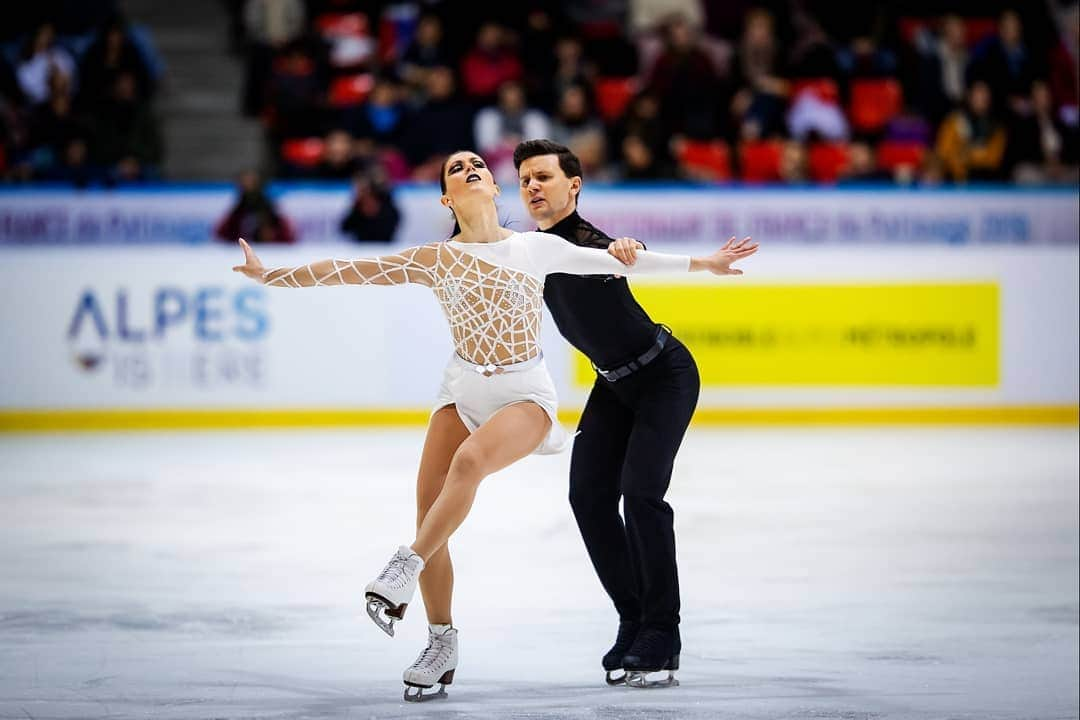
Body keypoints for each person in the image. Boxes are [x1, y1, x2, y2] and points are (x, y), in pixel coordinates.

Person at [231, 149, 757, 701]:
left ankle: (409, 564)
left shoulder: (537, 247)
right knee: (447, 504)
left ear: (497, 187)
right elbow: (351, 270)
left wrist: (702, 263)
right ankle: (442, 641)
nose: (470, 170)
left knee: (516, 472)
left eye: (478, 164)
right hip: (469, 389)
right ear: (445, 198)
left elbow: (618, 258)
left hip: (554, 387)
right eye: (455, 169)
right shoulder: (436, 258)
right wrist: (272, 276)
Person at [513, 138, 739, 687]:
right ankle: (633, 617)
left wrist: (697, 262)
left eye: (543, 177)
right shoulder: (528, 248)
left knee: (640, 495)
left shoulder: (594, 245)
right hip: (613, 384)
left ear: (574, 186)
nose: (533, 187)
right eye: (524, 181)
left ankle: (663, 629)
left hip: (664, 375)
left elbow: (624, 253)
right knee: (588, 499)